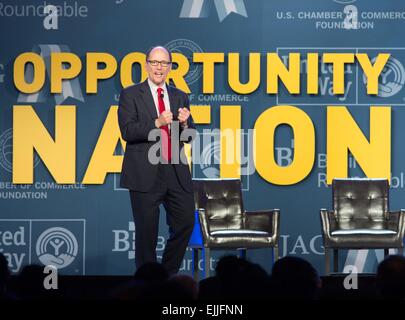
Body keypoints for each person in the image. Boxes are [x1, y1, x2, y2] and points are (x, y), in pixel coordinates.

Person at [118, 45, 195, 275]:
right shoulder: (131, 94)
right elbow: (128, 131)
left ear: (170, 67)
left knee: (185, 223)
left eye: (164, 63)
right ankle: (147, 286)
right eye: (154, 62)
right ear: (146, 65)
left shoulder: (180, 95)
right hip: (144, 172)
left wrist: (184, 125)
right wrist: (157, 123)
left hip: (175, 171)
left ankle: (165, 276)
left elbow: (189, 136)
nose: (159, 68)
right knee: (146, 234)